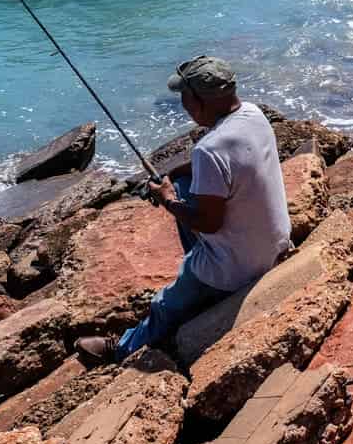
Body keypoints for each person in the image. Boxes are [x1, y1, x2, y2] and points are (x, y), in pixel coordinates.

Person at [76, 55, 291, 364]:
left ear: (199, 100)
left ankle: (122, 349)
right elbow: (221, 162)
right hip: (274, 241)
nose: (183, 105)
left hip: (238, 268)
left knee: (165, 304)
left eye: (185, 97)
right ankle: (201, 273)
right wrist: (174, 177)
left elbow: (209, 223)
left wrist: (167, 200)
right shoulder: (253, 114)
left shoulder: (210, 149)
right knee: (184, 185)